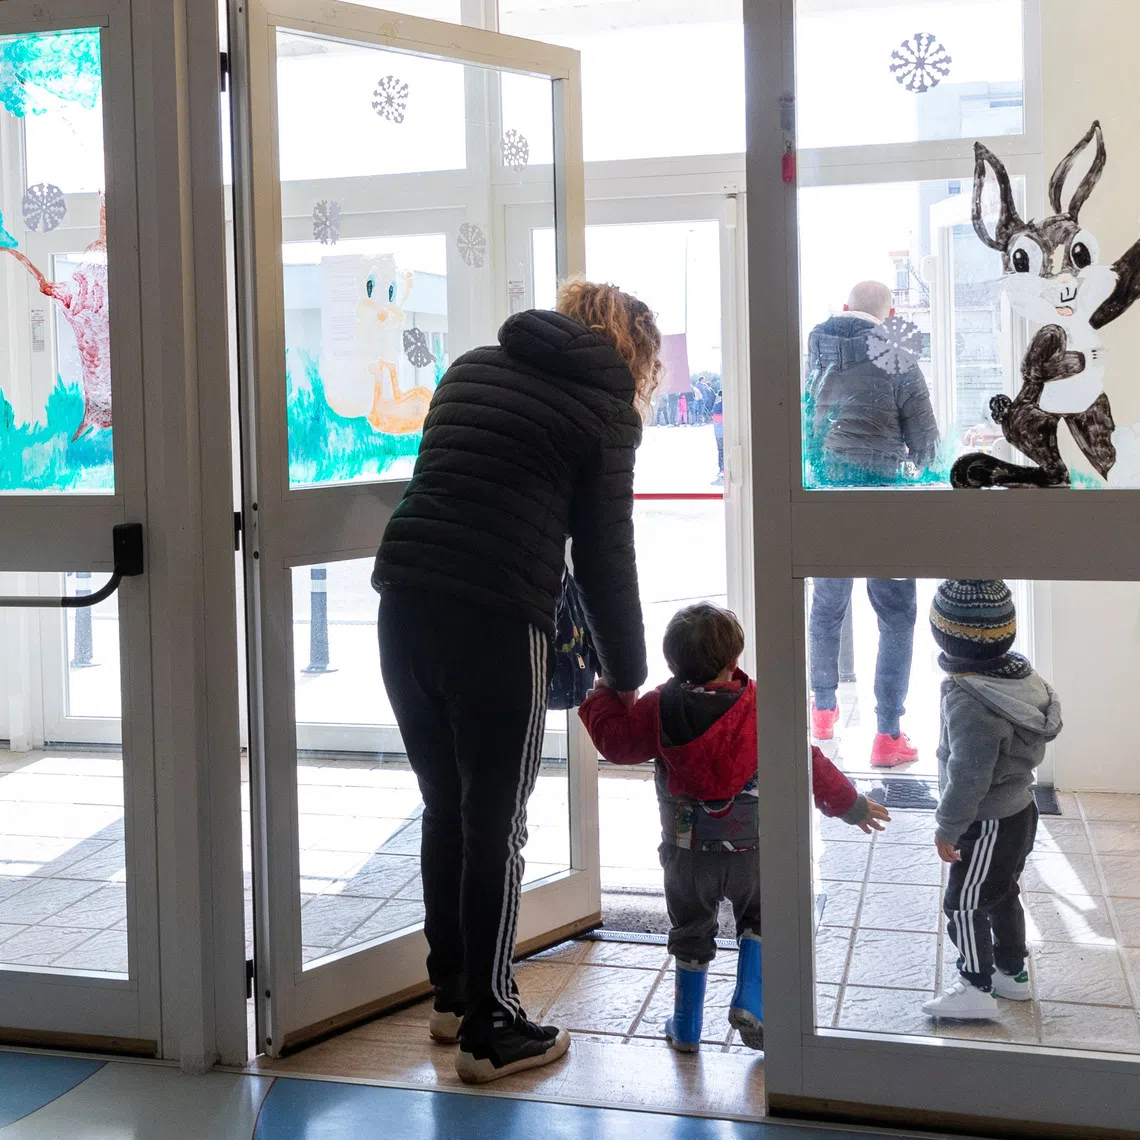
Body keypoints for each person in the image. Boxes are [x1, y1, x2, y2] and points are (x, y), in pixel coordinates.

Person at [372, 280, 661, 1084]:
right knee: (496, 821)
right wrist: (627, 672)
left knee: (448, 807)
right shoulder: (606, 411)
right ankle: (493, 1029)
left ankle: (453, 996)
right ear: (630, 352)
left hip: (403, 605)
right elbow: (607, 553)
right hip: (497, 622)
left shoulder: (470, 366)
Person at [579, 603, 890, 1052]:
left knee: (690, 930)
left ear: (672, 663)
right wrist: (851, 805)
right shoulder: (757, 705)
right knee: (761, 918)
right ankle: (750, 999)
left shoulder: (662, 704)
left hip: (687, 852)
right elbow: (806, 761)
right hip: (752, 850)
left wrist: (601, 697)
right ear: (734, 660)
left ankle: (686, 1027)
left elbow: (619, 744)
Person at [807, 281, 940, 767]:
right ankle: (887, 735)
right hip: (883, 500)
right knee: (896, 615)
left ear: (845, 309)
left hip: (825, 496)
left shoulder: (816, 348)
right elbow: (925, 438)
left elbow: (806, 421)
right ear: (890, 313)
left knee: (827, 607)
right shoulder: (896, 350)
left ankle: (822, 710)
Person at [922, 580, 1062, 1021]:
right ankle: (1011, 975)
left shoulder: (971, 701)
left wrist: (948, 826)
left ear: (943, 635)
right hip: (1020, 811)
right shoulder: (1021, 678)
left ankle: (976, 985)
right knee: (1000, 892)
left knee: (963, 903)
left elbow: (969, 775)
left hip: (985, 822)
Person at [712, 387, 724, 485]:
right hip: (725, 432)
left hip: (719, 433)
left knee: (720, 451)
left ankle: (721, 469)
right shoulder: (730, 407)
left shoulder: (716, 406)